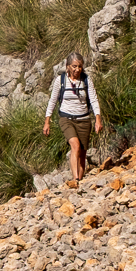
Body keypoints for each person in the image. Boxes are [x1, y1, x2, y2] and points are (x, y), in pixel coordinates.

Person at [40, 53, 102, 186]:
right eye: (74, 66)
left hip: (84, 119)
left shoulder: (86, 80)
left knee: (83, 153)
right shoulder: (60, 80)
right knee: (75, 145)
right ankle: (76, 179)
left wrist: (98, 119)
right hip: (66, 118)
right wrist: (47, 122)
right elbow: (52, 101)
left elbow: (94, 100)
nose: (77, 69)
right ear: (68, 66)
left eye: (80, 66)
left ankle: (80, 181)